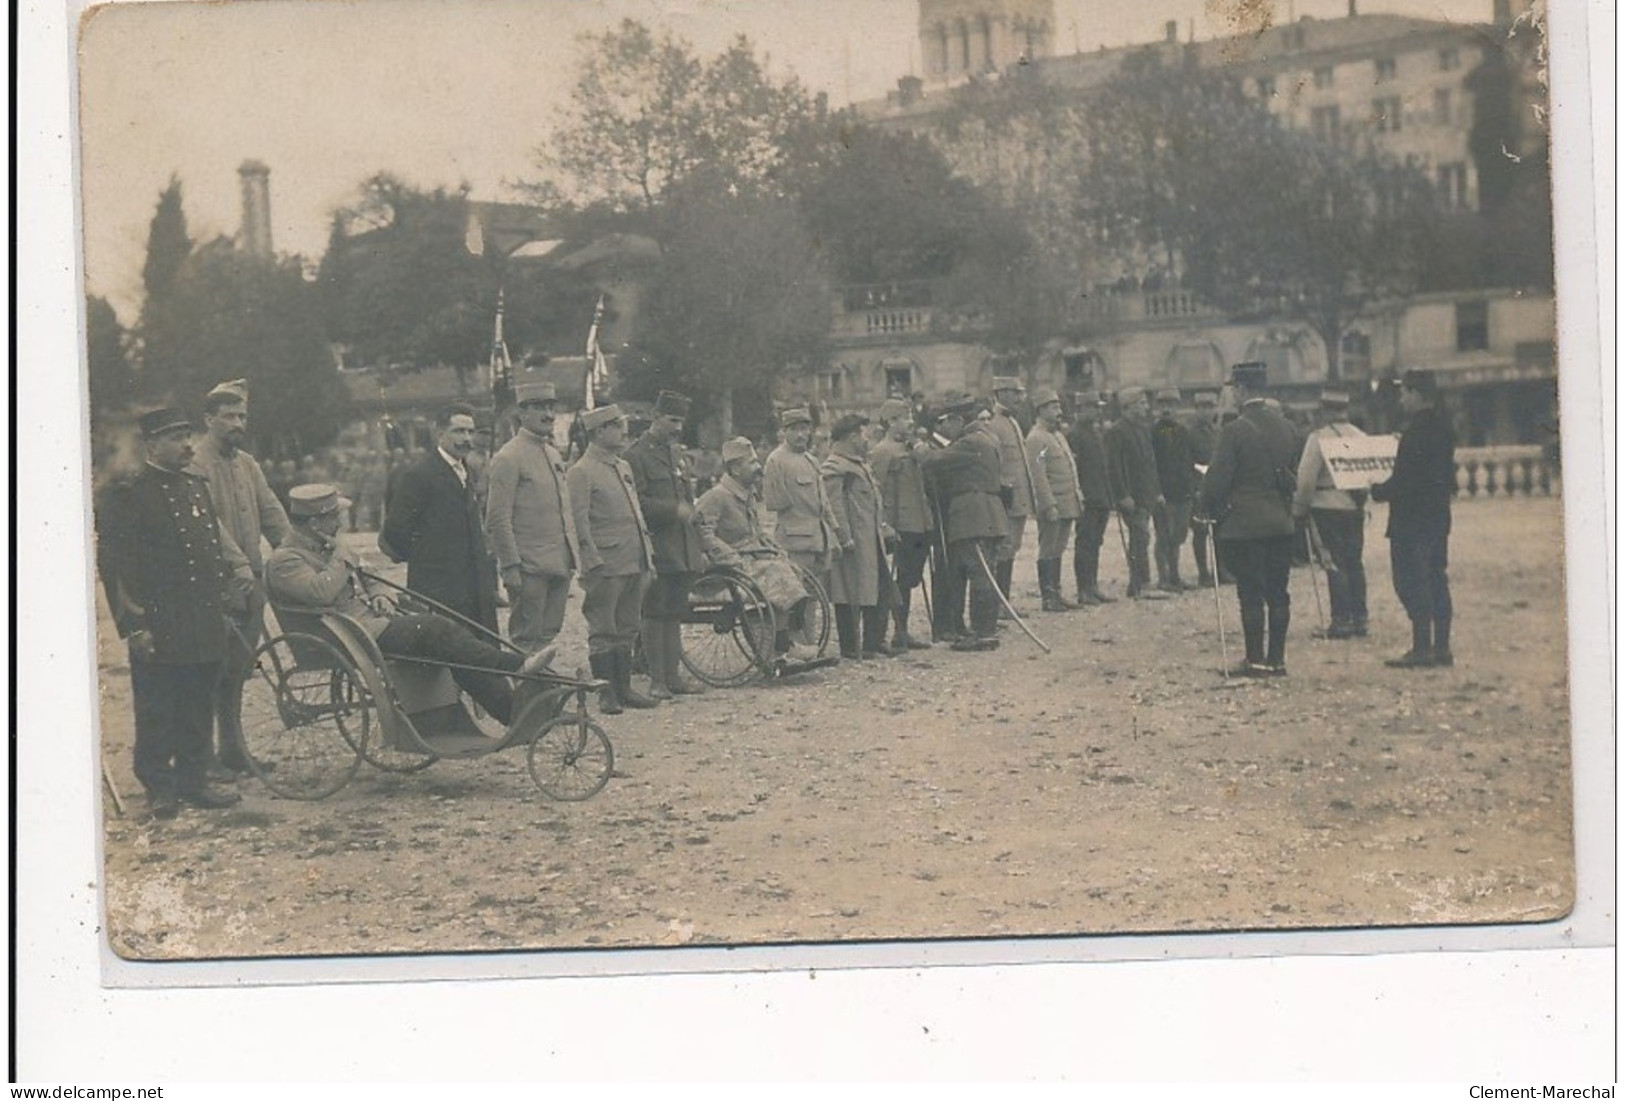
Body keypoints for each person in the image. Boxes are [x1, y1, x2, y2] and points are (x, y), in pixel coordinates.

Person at [266, 485, 553, 727]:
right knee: (436, 630)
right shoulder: (285, 561)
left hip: (368, 627)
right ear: (315, 524)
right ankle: (517, 666)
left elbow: (370, 576)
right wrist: (343, 556)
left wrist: (382, 595)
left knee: (449, 642)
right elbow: (321, 593)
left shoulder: (325, 547)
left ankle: (512, 710)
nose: (340, 523)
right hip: (347, 638)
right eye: (334, 518)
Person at [95, 408, 241, 818]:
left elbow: (211, 554)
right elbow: (118, 569)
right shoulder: (130, 495)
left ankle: (194, 781)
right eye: (177, 438)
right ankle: (159, 785)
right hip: (159, 621)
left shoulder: (196, 487)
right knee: (158, 704)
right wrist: (134, 625)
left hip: (201, 616)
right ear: (152, 445)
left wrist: (224, 603)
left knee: (198, 700)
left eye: (188, 436)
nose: (188, 445)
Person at [186, 378, 291, 778]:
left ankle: (233, 751)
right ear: (209, 419)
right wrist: (238, 565)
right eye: (228, 416)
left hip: (251, 585)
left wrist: (293, 553)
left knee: (237, 674)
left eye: (242, 416)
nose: (237, 423)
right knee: (211, 672)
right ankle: (205, 758)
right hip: (215, 587)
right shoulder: (195, 465)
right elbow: (208, 525)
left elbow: (273, 514)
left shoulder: (247, 464)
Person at [1197, 362, 1300, 676]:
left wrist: (1204, 506)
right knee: (1279, 591)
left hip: (1246, 527)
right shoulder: (1287, 427)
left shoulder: (1235, 430)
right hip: (1281, 523)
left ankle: (1255, 660)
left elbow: (1217, 481)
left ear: (1241, 389)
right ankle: (1278, 659)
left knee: (1251, 593)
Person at [566, 404, 659, 714]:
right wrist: (590, 561)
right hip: (605, 565)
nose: (623, 432)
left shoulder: (622, 467)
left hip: (634, 559)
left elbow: (636, 515)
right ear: (599, 431)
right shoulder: (581, 471)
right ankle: (606, 693)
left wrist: (648, 556)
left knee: (627, 626)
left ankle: (625, 688)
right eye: (617, 426)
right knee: (603, 629)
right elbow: (577, 523)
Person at [695, 438, 820, 664]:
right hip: (727, 566)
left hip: (750, 558)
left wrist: (773, 548)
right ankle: (781, 645)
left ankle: (785, 641)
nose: (758, 467)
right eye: (752, 463)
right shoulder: (717, 496)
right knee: (775, 573)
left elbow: (757, 532)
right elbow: (703, 533)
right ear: (734, 468)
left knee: (789, 567)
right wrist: (730, 557)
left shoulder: (746, 493)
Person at [380, 403, 500, 633]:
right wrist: (429, 557)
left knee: (479, 646)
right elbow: (395, 530)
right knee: (449, 646)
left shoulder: (467, 470)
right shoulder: (420, 475)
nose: (467, 438)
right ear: (440, 434)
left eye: (470, 432)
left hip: (473, 582)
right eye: (459, 431)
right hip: (439, 585)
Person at [484, 381, 579, 654]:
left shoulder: (552, 453)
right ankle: (527, 694)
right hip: (529, 567)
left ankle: (541, 690)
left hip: (559, 562)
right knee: (526, 637)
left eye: (551, 407)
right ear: (521, 413)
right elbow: (498, 518)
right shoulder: (508, 457)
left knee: (549, 631)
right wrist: (511, 566)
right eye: (539, 408)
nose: (548, 414)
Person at [624, 390, 708, 698]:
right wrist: (674, 511)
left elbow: (687, 498)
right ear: (655, 417)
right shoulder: (636, 455)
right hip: (657, 545)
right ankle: (656, 680)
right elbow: (638, 504)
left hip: (681, 546)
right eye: (672, 420)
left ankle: (673, 677)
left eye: (681, 421)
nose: (677, 427)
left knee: (675, 612)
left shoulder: (676, 455)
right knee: (655, 612)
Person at [1370, 370, 1456, 668]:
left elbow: (1404, 482)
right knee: (1436, 578)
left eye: (1405, 392)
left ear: (1417, 394)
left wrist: (1376, 490)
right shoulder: (1444, 427)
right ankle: (1442, 647)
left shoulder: (1414, 433)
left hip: (1410, 522)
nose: (1401, 398)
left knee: (1409, 582)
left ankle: (1421, 648)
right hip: (1437, 518)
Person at [919, 392, 1005, 652]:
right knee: (986, 570)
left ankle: (982, 633)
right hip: (988, 512)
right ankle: (985, 629)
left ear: (958, 419)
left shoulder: (970, 442)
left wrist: (919, 446)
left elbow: (931, 459)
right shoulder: (987, 437)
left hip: (972, 515)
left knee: (980, 573)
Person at [1293, 388, 1370, 639]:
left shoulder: (1318, 439)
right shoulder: (1361, 436)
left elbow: (1305, 481)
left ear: (1325, 410)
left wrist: (1300, 509)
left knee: (1333, 562)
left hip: (1325, 506)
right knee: (1354, 562)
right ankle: (1360, 618)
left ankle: (1341, 619)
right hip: (1354, 506)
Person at [822, 413, 894, 659]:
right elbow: (833, 505)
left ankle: (873, 642)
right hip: (854, 540)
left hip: (871, 538)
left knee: (877, 587)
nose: (867, 439)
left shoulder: (860, 464)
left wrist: (883, 527)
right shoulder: (835, 466)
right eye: (864, 434)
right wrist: (843, 536)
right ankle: (851, 647)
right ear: (852, 437)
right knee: (848, 591)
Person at [869, 398, 934, 649]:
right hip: (901, 524)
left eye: (910, 417)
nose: (909, 422)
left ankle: (901, 631)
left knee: (910, 578)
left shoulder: (911, 448)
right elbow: (876, 491)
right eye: (904, 418)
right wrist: (884, 524)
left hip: (920, 522)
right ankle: (895, 631)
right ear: (891, 422)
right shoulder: (881, 451)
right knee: (900, 579)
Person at [763, 406, 842, 601]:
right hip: (795, 542)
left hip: (818, 540)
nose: (802, 434)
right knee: (796, 598)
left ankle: (809, 633)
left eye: (805, 429)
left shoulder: (811, 460)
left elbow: (824, 501)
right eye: (795, 429)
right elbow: (774, 502)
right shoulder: (776, 460)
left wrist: (835, 532)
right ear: (784, 432)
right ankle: (796, 633)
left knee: (814, 600)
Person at [1106, 386, 1167, 600]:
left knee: (1141, 538)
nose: (1146, 406)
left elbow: (1150, 463)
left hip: (1146, 493)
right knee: (1140, 536)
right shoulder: (1117, 430)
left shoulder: (1142, 428)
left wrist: (1157, 491)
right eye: (1141, 403)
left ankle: (1137, 584)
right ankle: (1142, 584)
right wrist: (1123, 495)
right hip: (1131, 496)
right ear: (1129, 406)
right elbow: (1114, 467)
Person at [1026, 389, 1082, 612]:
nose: (1059, 412)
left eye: (1058, 407)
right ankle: (1048, 597)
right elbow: (1038, 475)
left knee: (1058, 548)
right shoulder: (1036, 438)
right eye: (1053, 407)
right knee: (1048, 549)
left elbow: (1070, 468)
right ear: (1041, 410)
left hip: (1067, 502)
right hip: (1054, 505)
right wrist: (1048, 505)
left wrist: (1078, 495)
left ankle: (1056, 593)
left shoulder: (1057, 436)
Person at [985, 375, 1038, 611]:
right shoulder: (994, 423)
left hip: (1018, 499)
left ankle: (1003, 603)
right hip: (1005, 500)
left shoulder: (1012, 422)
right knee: (1003, 550)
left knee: (1011, 549)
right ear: (1002, 393)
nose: (1020, 397)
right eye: (1015, 393)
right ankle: (997, 605)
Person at [1067, 391, 1117, 606]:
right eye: (1093, 408)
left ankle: (1093, 586)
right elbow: (1073, 470)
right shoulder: (1074, 435)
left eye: (1098, 408)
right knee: (1085, 543)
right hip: (1087, 498)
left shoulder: (1096, 434)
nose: (1097, 412)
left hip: (1100, 497)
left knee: (1096, 542)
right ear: (1081, 409)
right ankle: (1083, 589)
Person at [1150, 388, 1199, 593]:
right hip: (1164, 494)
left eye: (1171, 405)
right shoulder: (1153, 432)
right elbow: (1149, 464)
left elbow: (1190, 461)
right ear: (1157, 408)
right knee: (1164, 536)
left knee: (1178, 536)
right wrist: (1156, 491)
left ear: (1178, 407)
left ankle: (1175, 576)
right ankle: (1163, 578)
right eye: (1163, 405)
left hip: (1183, 492)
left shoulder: (1183, 431)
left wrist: (1193, 488)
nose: (1167, 409)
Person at [1185, 390, 1222, 588]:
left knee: (1220, 529)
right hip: (1199, 487)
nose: (1206, 411)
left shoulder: (1218, 431)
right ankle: (1203, 573)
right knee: (1200, 532)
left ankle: (1221, 570)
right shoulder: (1189, 433)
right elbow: (1187, 462)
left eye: (1210, 407)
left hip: (1216, 487)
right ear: (1196, 410)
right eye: (1202, 408)